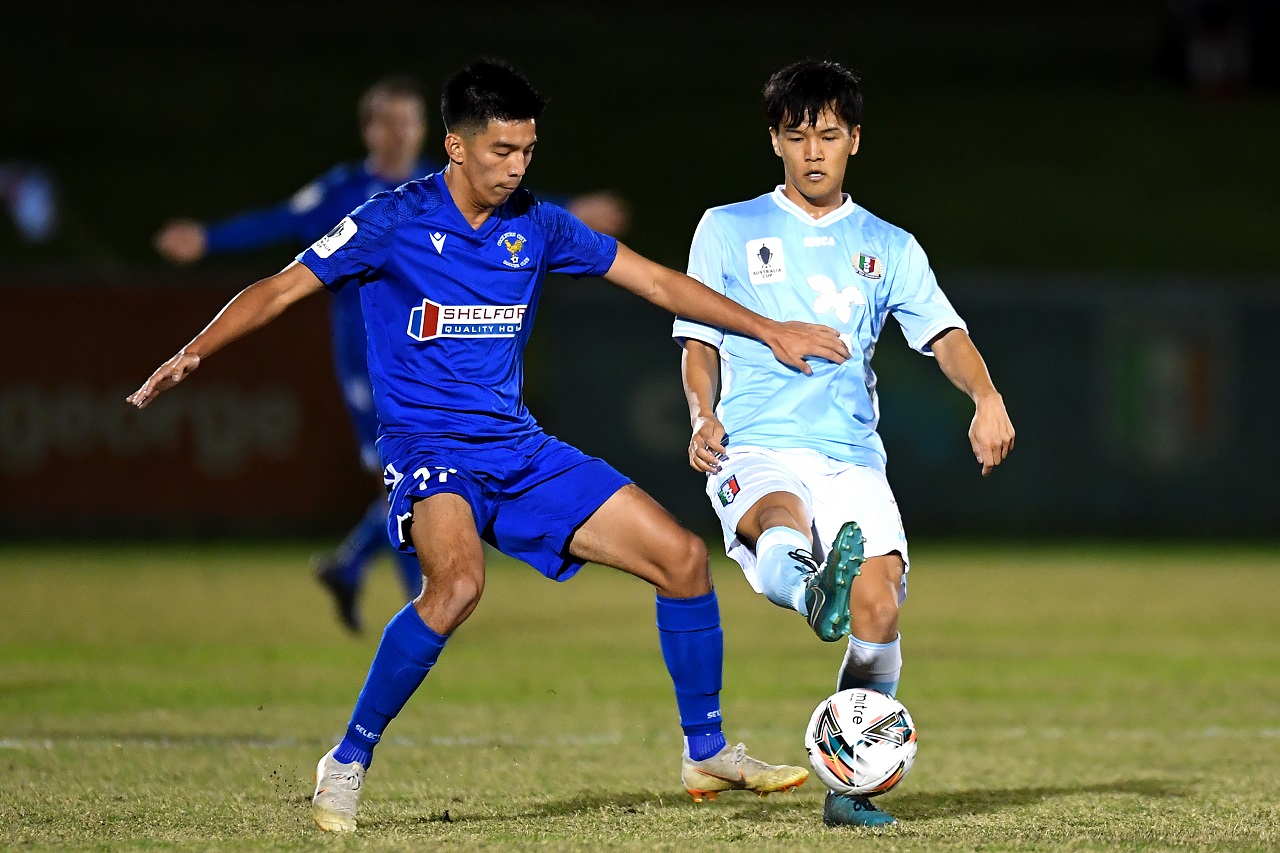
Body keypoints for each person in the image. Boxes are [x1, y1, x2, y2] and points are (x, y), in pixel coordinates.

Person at [128, 59, 853, 834]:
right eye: (503, 150)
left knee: (681, 558)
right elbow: (281, 285)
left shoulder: (535, 223)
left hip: (518, 448)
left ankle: (704, 750)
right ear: (457, 147)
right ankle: (346, 760)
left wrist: (767, 328)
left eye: (528, 150)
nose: (517, 167)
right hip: (429, 448)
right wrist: (197, 350)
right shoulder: (392, 220)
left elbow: (654, 281)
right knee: (457, 588)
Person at [154, 76, 630, 632]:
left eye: (411, 120)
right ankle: (417, 602)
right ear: (369, 129)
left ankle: (356, 568)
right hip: (372, 364)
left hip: (442, 366)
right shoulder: (349, 192)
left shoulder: (441, 186)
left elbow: (519, 206)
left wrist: (575, 209)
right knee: (410, 478)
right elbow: (279, 222)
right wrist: (207, 240)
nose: (402, 132)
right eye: (390, 120)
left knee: (414, 481)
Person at [673, 60, 1016, 828]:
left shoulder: (888, 244)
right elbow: (697, 340)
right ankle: (807, 587)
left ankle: (849, 787)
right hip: (756, 443)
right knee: (780, 516)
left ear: (855, 140)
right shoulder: (726, 227)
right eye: (798, 136)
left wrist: (986, 395)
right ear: (775, 141)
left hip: (851, 455)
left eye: (829, 134)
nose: (814, 150)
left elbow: (945, 335)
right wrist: (703, 414)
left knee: (878, 603)